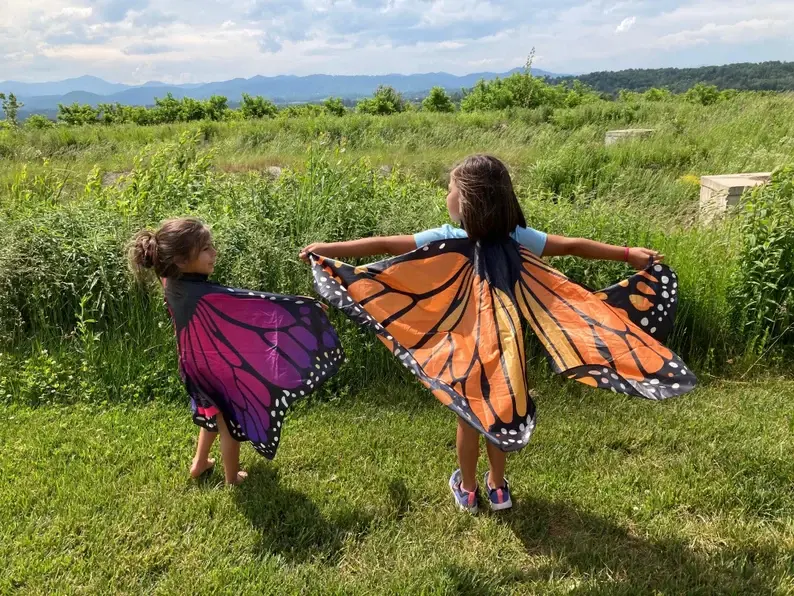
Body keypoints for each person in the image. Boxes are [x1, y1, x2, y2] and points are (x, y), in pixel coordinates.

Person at [301, 155, 689, 514]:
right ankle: (498, 487)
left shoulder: (448, 238)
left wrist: (329, 249)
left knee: (469, 416)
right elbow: (572, 247)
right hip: (507, 348)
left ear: (465, 200)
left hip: (465, 350)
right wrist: (627, 254)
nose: (447, 194)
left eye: (451, 189)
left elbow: (387, 245)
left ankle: (468, 490)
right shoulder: (518, 239)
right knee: (502, 408)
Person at [132, 217, 342, 485]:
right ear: (181, 261)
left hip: (193, 364)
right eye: (206, 249)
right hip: (217, 368)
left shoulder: (171, 282)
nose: (214, 253)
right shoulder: (204, 295)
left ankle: (199, 463)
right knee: (230, 423)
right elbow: (256, 304)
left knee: (211, 411)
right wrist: (303, 308)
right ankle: (233, 477)